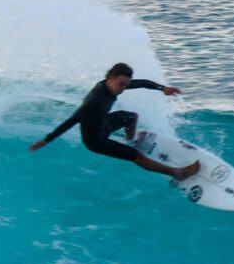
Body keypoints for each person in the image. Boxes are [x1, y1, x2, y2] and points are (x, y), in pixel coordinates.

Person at [29, 62, 200, 181]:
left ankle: (131, 141)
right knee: (137, 157)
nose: (124, 89)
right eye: (121, 85)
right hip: (96, 141)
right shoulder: (94, 102)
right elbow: (72, 120)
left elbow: (141, 83)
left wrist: (163, 88)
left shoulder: (113, 84)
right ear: (110, 78)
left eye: (126, 85)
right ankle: (177, 173)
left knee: (132, 117)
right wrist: (46, 140)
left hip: (103, 124)